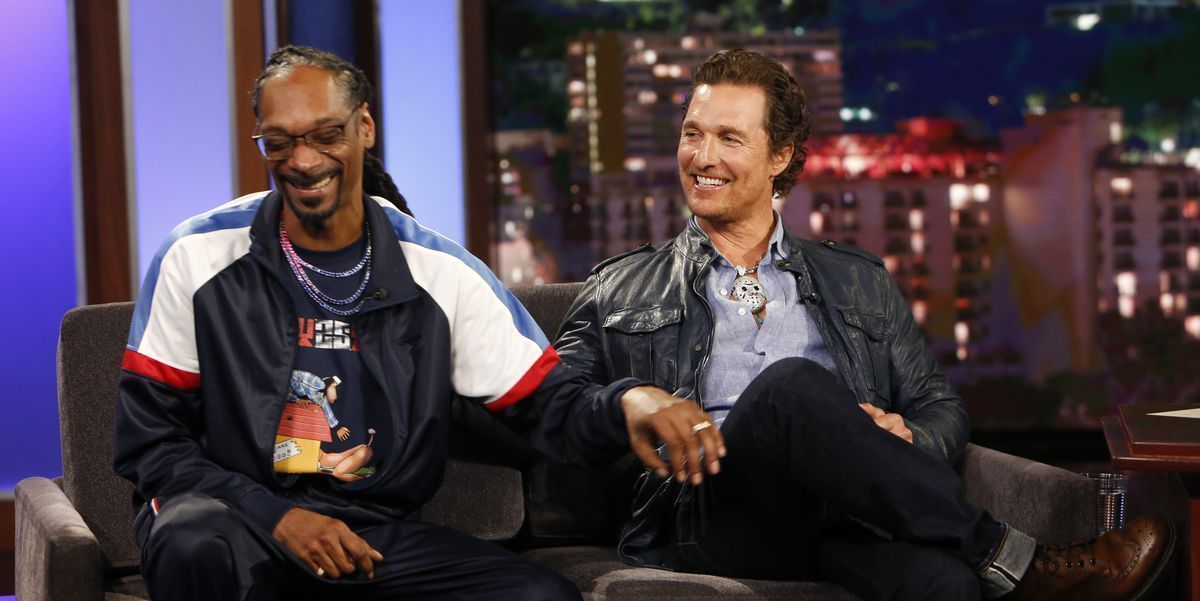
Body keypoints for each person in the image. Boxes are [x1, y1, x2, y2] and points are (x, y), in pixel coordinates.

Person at [552, 48, 1175, 601]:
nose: (702, 157)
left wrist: (905, 439)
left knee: (944, 583)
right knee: (790, 387)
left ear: (780, 157)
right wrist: (629, 399)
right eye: (693, 133)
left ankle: (990, 566)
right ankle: (1021, 562)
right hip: (709, 514)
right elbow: (555, 410)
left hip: (843, 512)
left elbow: (940, 407)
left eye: (729, 138)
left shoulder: (859, 280)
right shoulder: (620, 286)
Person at [113, 45, 718, 601]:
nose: (302, 160)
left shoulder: (440, 272)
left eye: (325, 135)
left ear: (364, 128)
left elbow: (548, 407)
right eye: (279, 143)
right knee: (192, 538)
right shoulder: (197, 256)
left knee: (539, 596)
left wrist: (628, 402)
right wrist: (278, 518)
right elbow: (152, 444)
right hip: (236, 522)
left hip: (367, 535)